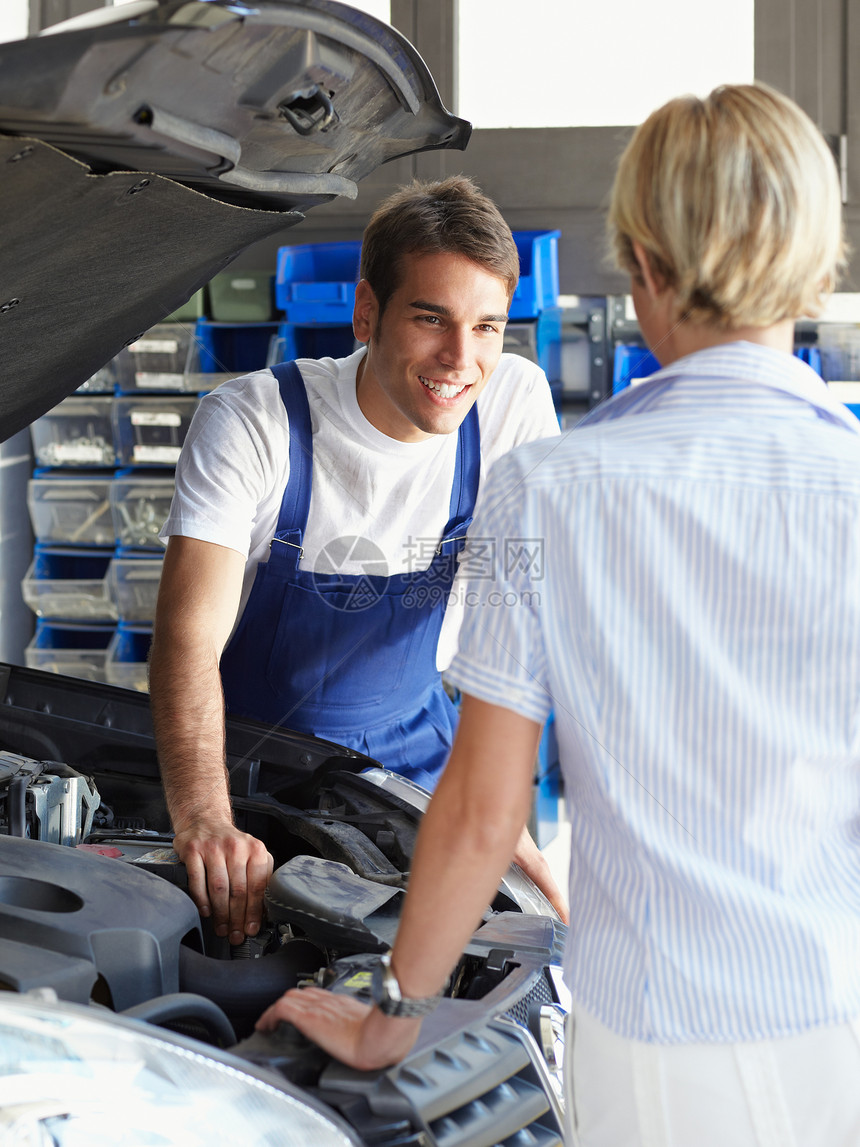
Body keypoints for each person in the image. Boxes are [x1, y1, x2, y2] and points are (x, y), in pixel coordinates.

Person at [258, 84, 860, 1146]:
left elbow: (484, 812)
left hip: (650, 1043)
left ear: (639, 265)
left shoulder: (553, 487)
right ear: (818, 257)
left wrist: (392, 1019)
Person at [149, 175, 567, 947]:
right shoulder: (254, 422)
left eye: (487, 327)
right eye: (432, 318)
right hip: (250, 770)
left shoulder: (512, 404)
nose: (461, 359)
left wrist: (495, 806)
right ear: (366, 311)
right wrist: (206, 821)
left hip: (421, 755)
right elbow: (186, 638)